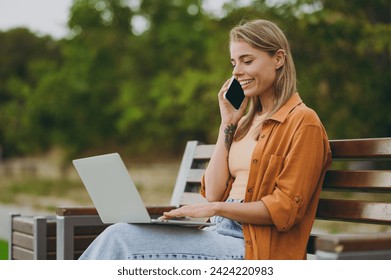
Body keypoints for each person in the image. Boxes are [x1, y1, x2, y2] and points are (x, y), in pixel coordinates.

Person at [79, 19, 331, 260]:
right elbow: (212, 192)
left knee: (121, 239)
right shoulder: (243, 124)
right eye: (233, 62)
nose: (237, 71)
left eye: (247, 60)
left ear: (278, 58)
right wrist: (227, 123)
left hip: (255, 249)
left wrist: (216, 209)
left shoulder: (303, 122)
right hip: (218, 232)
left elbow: (286, 210)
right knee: (122, 234)